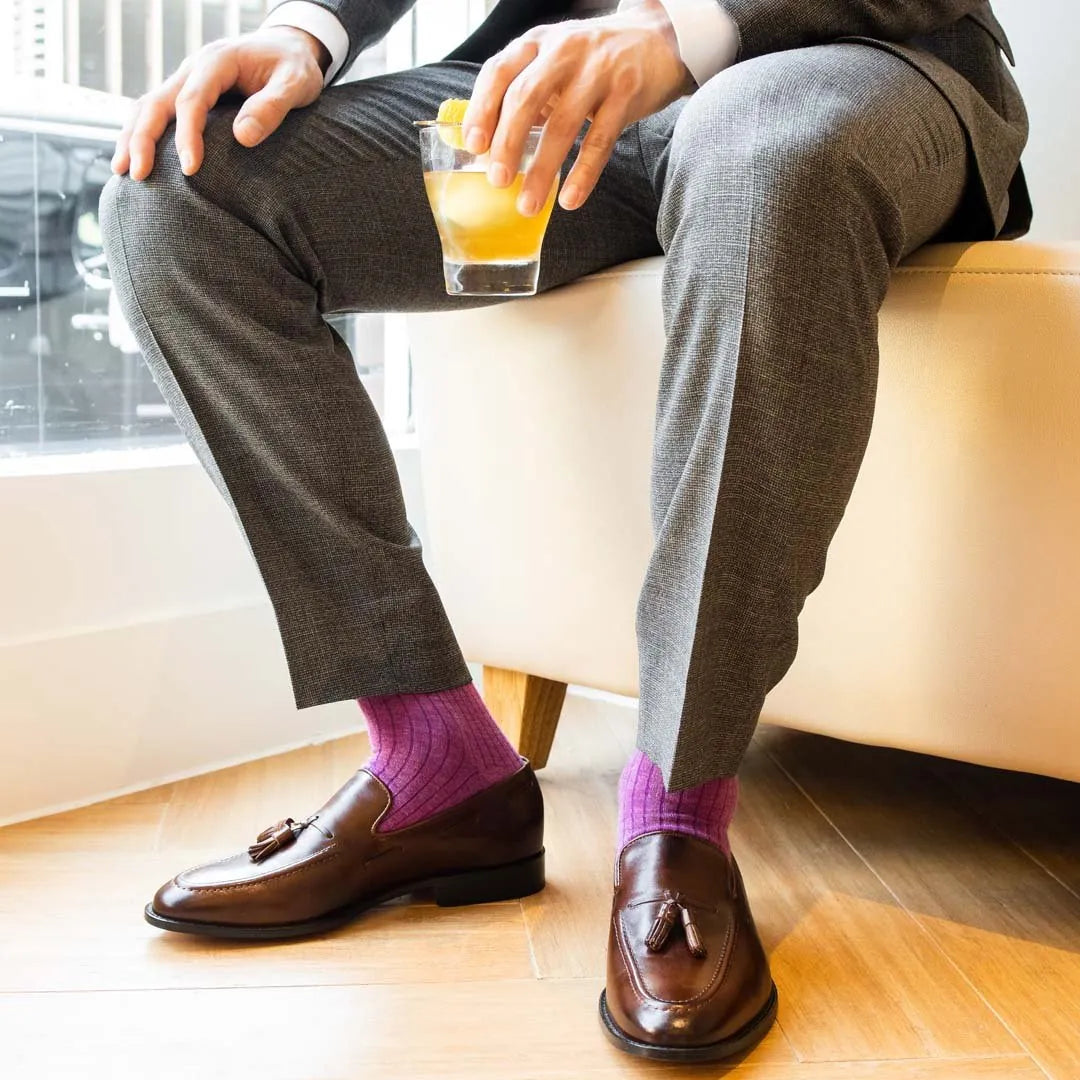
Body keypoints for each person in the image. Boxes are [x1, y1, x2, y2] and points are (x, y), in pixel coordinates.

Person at [100, 0, 1028, 1062]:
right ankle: (435, 759)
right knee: (182, 191)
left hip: (841, 59)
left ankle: (679, 807)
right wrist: (307, 32)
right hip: (554, 79)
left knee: (762, 163)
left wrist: (684, 33)